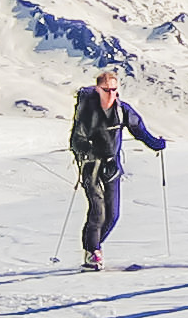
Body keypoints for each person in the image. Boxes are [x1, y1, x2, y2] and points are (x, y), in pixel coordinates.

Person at [70, 69, 166, 270]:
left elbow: (139, 130)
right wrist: (86, 147)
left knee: (113, 215)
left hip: (112, 166)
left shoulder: (122, 110)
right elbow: (76, 139)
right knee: (97, 210)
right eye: (106, 90)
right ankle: (92, 253)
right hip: (91, 166)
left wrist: (156, 144)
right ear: (98, 89)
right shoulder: (87, 110)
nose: (111, 94)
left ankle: (94, 246)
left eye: (114, 89)